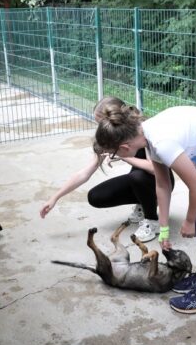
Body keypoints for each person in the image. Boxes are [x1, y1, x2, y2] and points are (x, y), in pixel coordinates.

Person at [94, 98, 196, 315]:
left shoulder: (162, 142)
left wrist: (190, 221)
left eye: (115, 155)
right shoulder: (147, 136)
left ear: (125, 147)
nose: (116, 158)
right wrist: (163, 230)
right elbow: (162, 185)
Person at [39, 97, 174, 243]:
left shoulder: (143, 132)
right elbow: (85, 172)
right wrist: (55, 197)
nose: (100, 128)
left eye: (101, 123)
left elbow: (155, 169)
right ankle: (143, 203)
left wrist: (123, 156)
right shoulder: (109, 138)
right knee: (96, 196)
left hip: (161, 183)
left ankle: (151, 220)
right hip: (139, 181)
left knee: (138, 177)